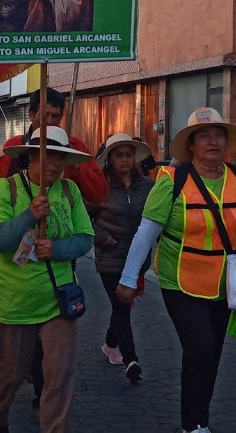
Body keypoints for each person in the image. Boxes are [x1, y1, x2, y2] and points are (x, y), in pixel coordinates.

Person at [116, 107, 236, 433]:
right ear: (192, 145)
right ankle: (193, 425)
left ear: (226, 142)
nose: (213, 141)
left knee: (212, 352)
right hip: (180, 280)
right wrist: (130, 278)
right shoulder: (172, 180)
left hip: (227, 282)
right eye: (205, 136)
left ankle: (200, 418)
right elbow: (146, 232)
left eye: (218, 135)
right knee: (200, 348)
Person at [0, 127, 94, 433]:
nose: (55, 164)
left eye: (60, 157)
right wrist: (30, 214)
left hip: (58, 300)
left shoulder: (70, 191)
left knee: (58, 375)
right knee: (9, 375)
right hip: (13, 302)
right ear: (30, 157)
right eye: (47, 156)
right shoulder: (7, 189)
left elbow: (85, 238)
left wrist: (58, 249)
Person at [92, 133, 153, 384]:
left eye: (129, 155)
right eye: (119, 155)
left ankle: (110, 343)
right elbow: (84, 218)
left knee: (122, 305)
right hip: (110, 257)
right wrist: (103, 237)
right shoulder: (99, 186)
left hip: (137, 259)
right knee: (121, 305)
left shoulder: (148, 187)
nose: (125, 160)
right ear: (110, 159)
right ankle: (132, 360)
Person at [0, 87, 107, 206]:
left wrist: (75, 163)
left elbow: (99, 195)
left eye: (55, 116)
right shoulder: (13, 146)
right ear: (31, 115)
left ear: (61, 118)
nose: (49, 121)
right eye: (45, 115)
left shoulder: (75, 146)